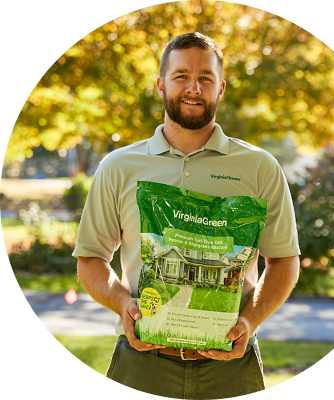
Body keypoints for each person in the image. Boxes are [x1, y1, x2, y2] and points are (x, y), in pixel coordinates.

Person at [73, 32, 301, 398]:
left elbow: (285, 261)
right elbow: (90, 259)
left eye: (205, 78)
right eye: (181, 76)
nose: (193, 88)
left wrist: (249, 320)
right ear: (160, 85)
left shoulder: (260, 167)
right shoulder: (118, 167)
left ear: (221, 88)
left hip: (231, 367)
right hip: (142, 364)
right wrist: (122, 304)